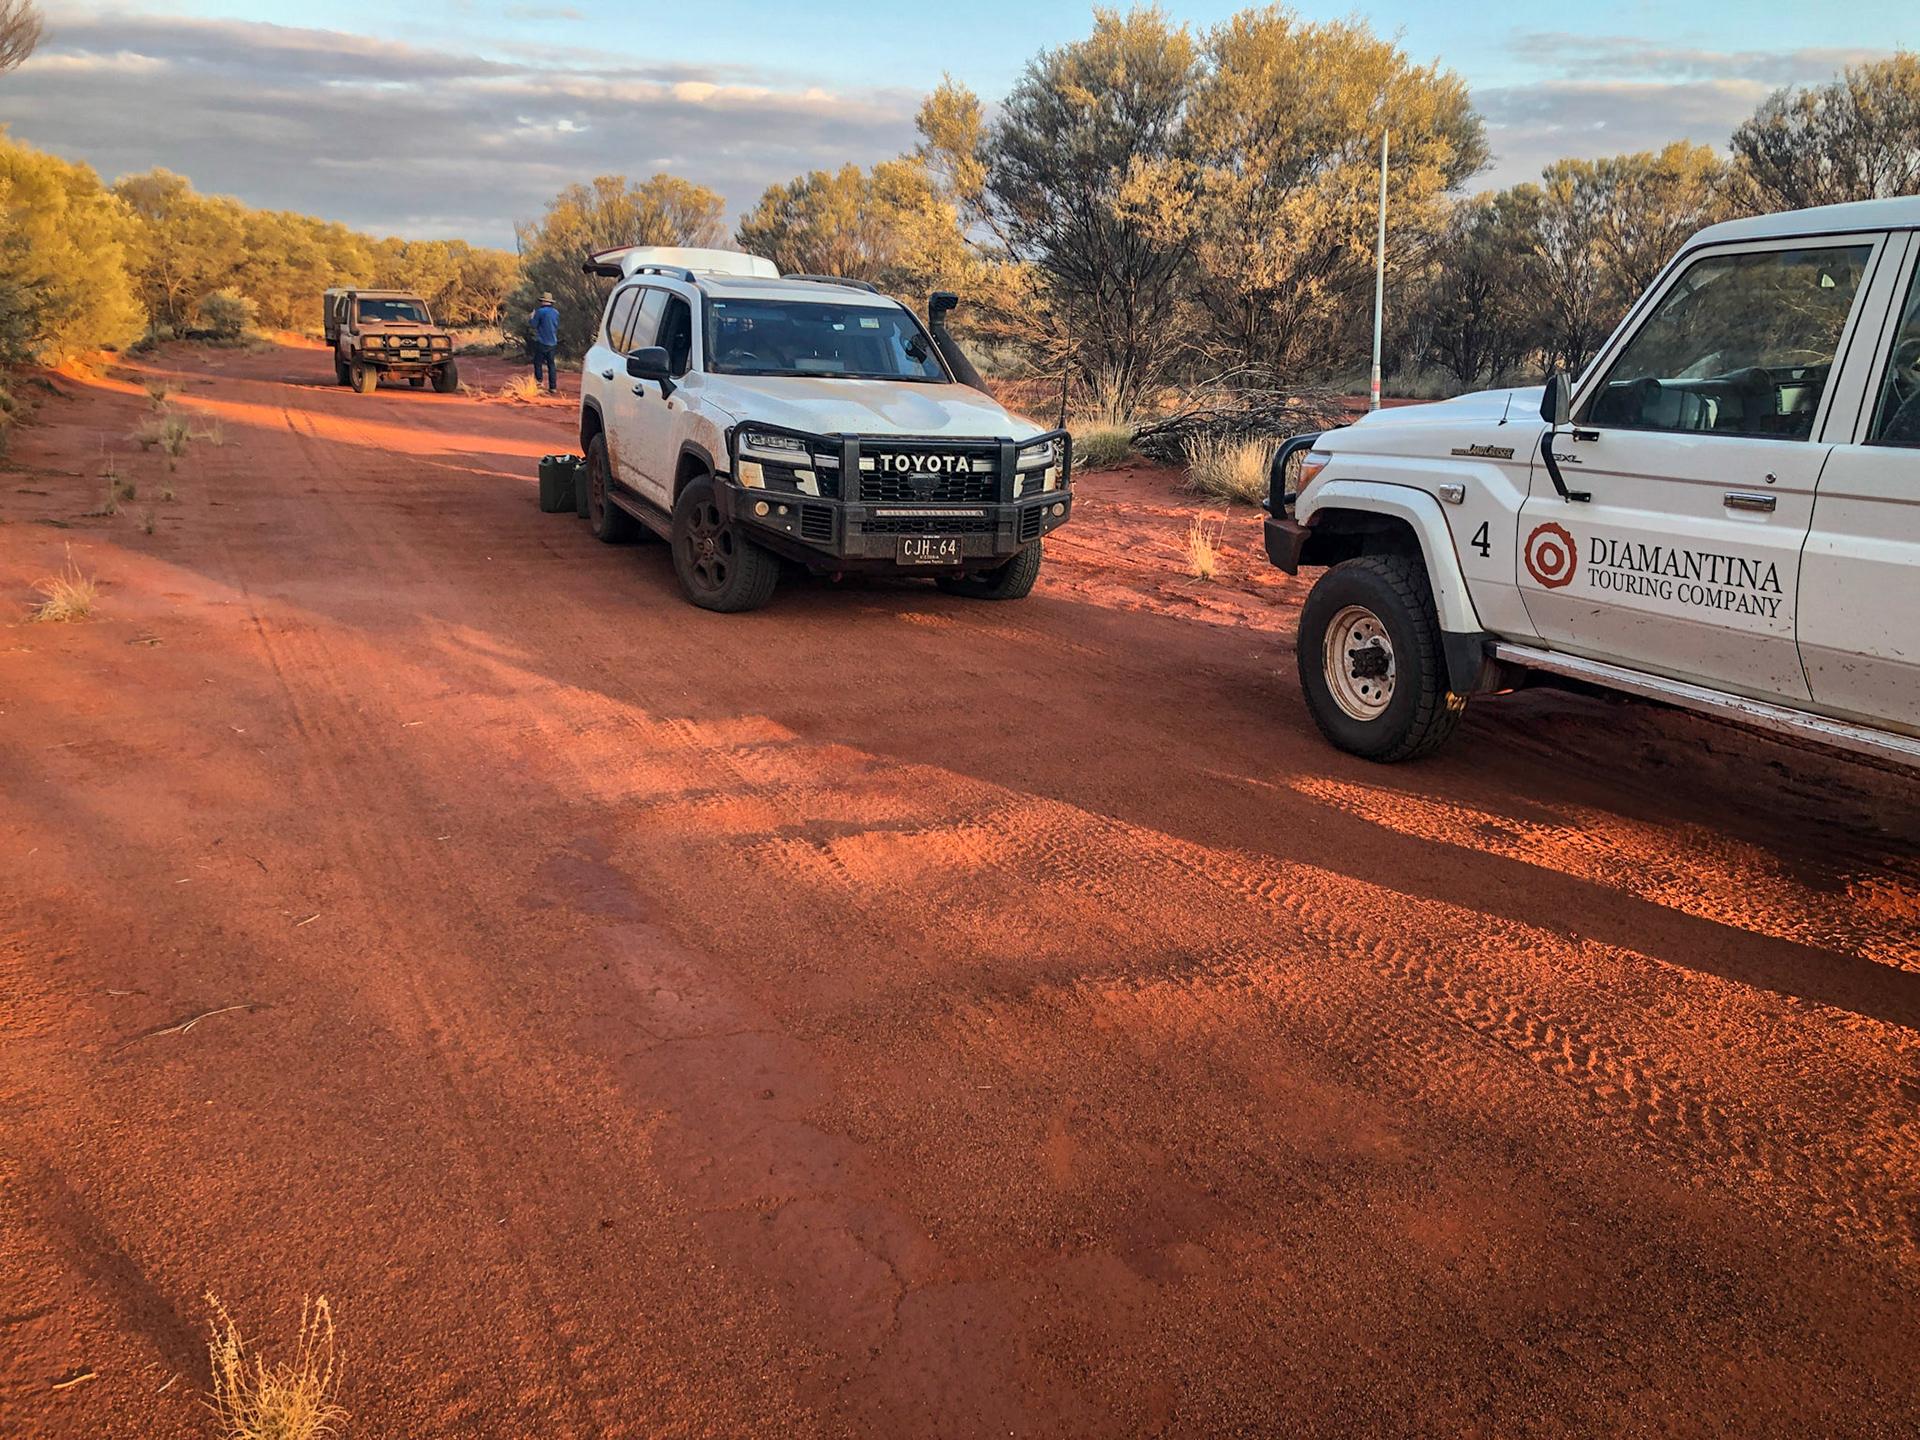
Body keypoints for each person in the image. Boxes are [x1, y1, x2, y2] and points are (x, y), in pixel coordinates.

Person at [529, 292, 561, 393]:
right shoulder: (556, 312)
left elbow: (533, 325)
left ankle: (539, 384)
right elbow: (557, 325)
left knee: (538, 363)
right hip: (553, 342)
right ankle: (553, 387)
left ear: (543, 301)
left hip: (542, 341)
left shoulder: (540, 312)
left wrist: (532, 317)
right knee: (551, 364)